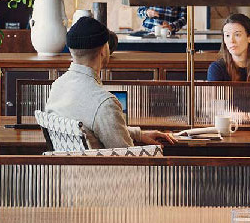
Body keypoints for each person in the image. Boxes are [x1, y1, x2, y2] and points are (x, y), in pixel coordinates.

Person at [45, 17, 170, 148]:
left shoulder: (57, 87)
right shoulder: (104, 103)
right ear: (104, 50)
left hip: (67, 167)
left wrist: (138, 134)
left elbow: (93, 130)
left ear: (71, 50)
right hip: (102, 168)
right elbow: (128, 159)